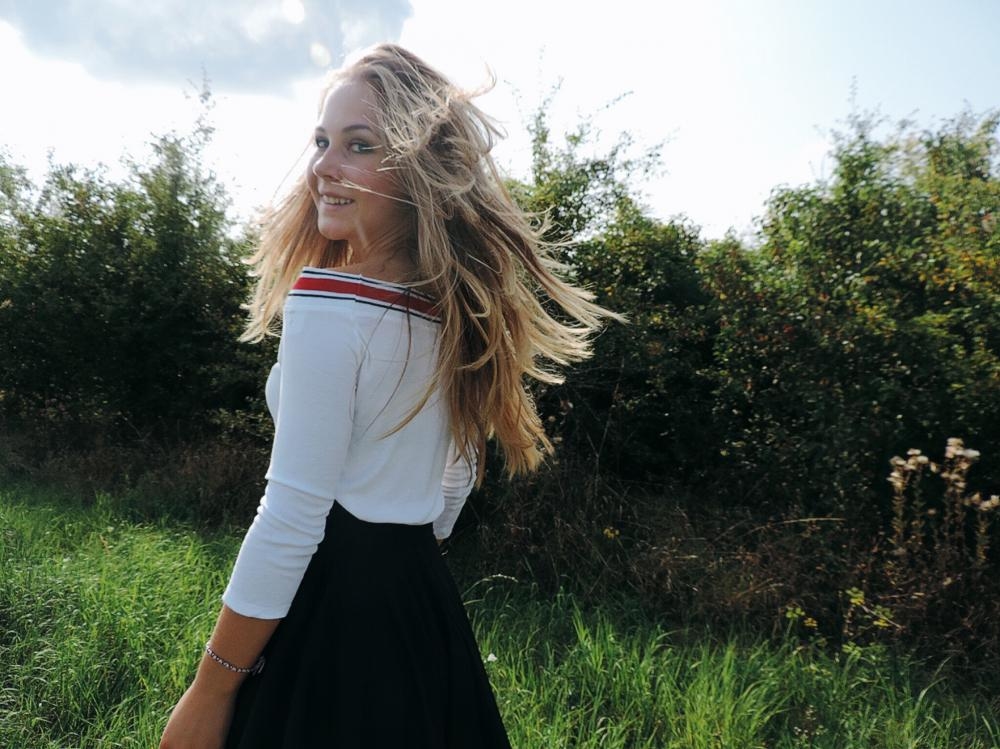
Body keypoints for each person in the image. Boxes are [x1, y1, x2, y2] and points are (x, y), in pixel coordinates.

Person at [159, 42, 620, 749]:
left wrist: (210, 690)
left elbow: (292, 515)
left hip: (331, 615)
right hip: (420, 605)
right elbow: (455, 478)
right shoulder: (451, 308)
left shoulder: (328, 304)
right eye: (322, 141)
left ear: (414, 169)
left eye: (359, 145)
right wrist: (396, 560)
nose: (323, 166)